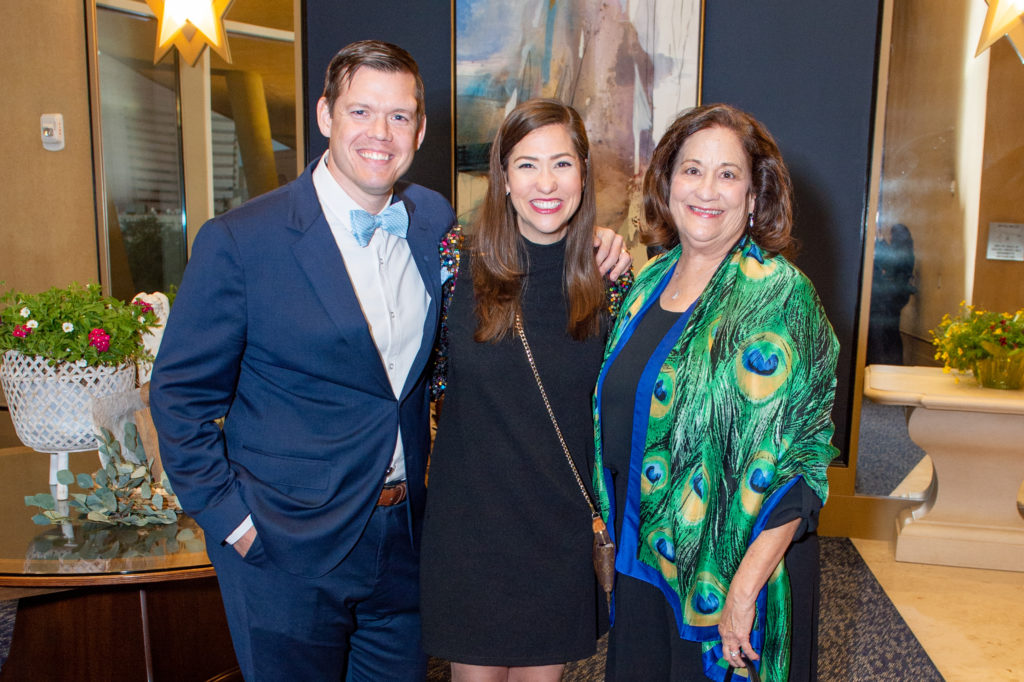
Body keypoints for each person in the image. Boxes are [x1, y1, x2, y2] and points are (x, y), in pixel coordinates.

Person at [149, 42, 629, 680]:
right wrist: (233, 522)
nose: (380, 133)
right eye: (361, 111)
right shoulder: (241, 241)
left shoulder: (433, 224)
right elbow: (179, 398)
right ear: (325, 115)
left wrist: (596, 242)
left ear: (420, 130)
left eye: (399, 116)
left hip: (406, 541)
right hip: (285, 547)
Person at [593, 104, 840, 681]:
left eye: (728, 174)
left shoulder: (780, 295)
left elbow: (803, 463)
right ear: (667, 184)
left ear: (754, 196)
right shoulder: (648, 284)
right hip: (643, 564)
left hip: (733, 583)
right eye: (692, 170)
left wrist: (743, 593)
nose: (707, 189)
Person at [419, 99, 631, 681]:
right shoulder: (455, 263)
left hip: (559, 529)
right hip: (472, 529)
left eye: (562, 163)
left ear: (583, 173)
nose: (546, 183)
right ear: (504, 178)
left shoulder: (609, 278)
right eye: (527, 164)